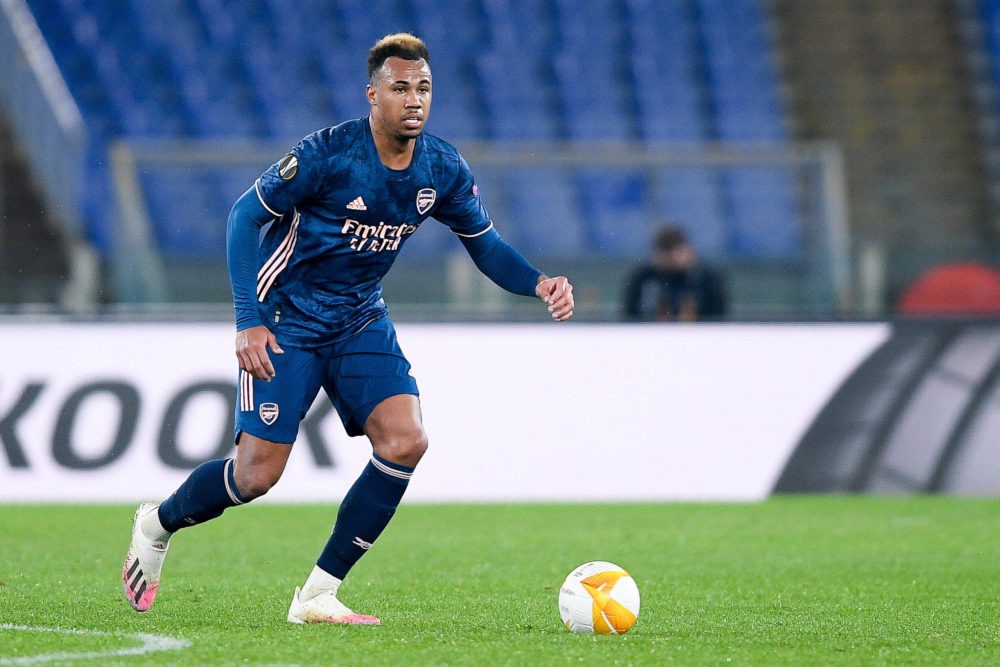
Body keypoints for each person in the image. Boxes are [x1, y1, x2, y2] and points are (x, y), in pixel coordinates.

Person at [122, 33, 574, 625]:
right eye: (400, 88)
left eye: (424, 88)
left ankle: (317, 594)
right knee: (256, 475)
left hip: (360, 316)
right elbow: (243, 216)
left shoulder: (442, 167)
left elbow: (484, 246)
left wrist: (537, 283)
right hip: (288, 318)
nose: (414, 99)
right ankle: (157, 523)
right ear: (372, 95)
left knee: (406, 440)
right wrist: (247, 321)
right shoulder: (328, 154)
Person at [622, 223, 726, 322]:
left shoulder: (706, 278)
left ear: (686, 250)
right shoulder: (643, 278)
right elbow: (629, 316)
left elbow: (719, 317)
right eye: (663, 253)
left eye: (672, 254)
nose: (669, 260)